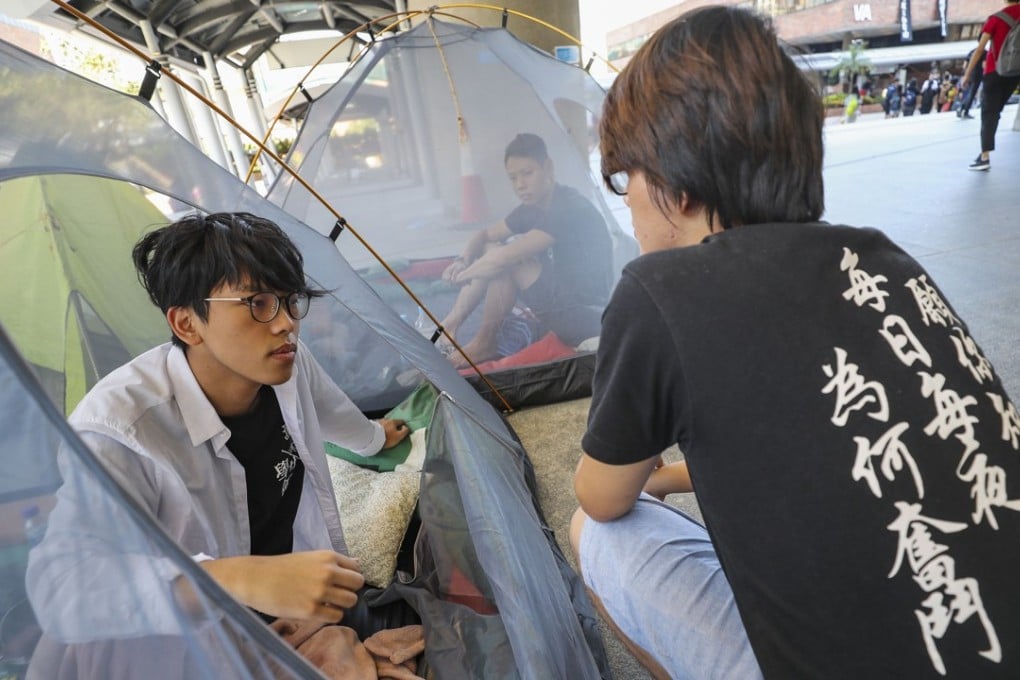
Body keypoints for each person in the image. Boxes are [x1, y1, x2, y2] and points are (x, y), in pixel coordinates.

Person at [570, 6, 1020, 679]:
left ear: (675, 183)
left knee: (597, 536)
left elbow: (602, 496)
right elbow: (839, 440)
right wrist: (669, 476)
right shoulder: (884, 260)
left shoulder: (661, 289)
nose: (626, 202)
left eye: (623, 179)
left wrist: (650, 471)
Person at [26, 213, 417, 674]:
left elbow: (331, 408)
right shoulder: (119, 431)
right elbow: (61, 588)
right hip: (173, 647)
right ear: (187, 324)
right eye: (258, 303)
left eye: (291, 302)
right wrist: (237, 579)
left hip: (276, 618)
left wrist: (374, 439)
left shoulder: (288, 364)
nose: (286, 323)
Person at [439, 133, 613, 367]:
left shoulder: (568, 207)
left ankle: (483, 344)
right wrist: (463, 260)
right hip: (561, 301)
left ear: (548, 167)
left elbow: (504, 258)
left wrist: (465, 275)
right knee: (493, 249)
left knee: (508, 261)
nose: (520, 184)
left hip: (589, 316)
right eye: (513, 178)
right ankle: (450, 325)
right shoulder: (533, 207)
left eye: (527, 173)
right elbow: (484, 235)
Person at [961, 0, 1020, 170]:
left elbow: (980, 49)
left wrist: (967, 75)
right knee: (996, 109)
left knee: (989, 113)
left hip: (995, 71)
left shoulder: (996, 19)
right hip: (1015, 71)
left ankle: (985, 156)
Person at [957, 48, 986, 118]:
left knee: (970, 92)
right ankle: (964, 110)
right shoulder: (984, 52)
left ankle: (962, 108)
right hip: (977, 74)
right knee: (972, 93)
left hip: (969, 74)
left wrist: (965, 74)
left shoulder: (972, 51)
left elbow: (964, 65)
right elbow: (984, 65)